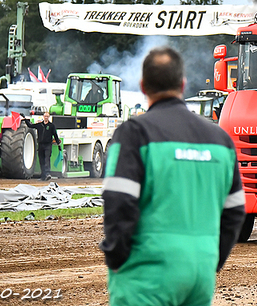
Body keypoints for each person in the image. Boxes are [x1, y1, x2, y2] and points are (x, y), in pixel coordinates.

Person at [99, 46, 245, 306]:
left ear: (143, 86)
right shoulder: (220, 140)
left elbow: (119, 202)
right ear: (183, 84)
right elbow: (235, 211)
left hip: (147, 273)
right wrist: (213, 258)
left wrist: (116, 257)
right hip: (200, 273)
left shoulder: (134, 133)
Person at [23, 111, 61, 181]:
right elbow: (30, 126)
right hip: (40, 145)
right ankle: (43, 176)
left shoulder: (51, 126)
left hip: (48, 145)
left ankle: (47, 174)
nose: (46, 117)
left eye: (47, 116)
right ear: (43, 117)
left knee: (47, 159)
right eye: (45, 116)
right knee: (41, 160)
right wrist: (25, 119)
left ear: (48, 117)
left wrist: (58, 143)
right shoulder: (39, 125)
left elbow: (55, 135)